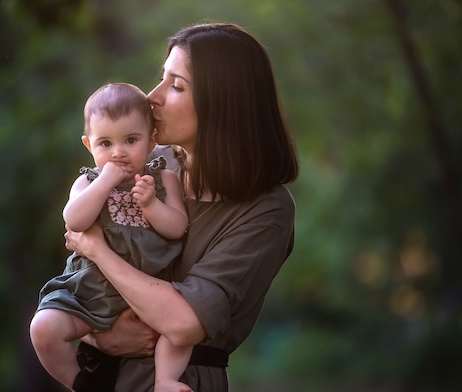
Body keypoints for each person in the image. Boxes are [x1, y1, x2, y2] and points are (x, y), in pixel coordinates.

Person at [64, 23, 299, 391]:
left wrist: (95, 247)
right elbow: (79, 282)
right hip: (103, 377)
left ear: (221, 103)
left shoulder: (265, 210)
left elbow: (184, 322)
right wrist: (99, 336)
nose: (152, 97)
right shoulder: (147, 166)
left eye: (175, 86)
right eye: (162, 79)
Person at [29, 83, 190, 391]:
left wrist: (151, 205)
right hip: (88, 294)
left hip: (147, 292)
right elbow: (74, 220)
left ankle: (165, 380)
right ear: (89, 145)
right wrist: (105, 182)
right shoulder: (87, 182)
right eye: (105, 143)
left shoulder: (163, 179)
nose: (118, 153)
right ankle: (84, 383)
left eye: (131, 140)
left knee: (180, 328)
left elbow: (177, 227)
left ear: (152, 141)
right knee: (43, 327)